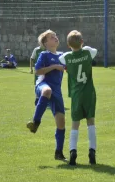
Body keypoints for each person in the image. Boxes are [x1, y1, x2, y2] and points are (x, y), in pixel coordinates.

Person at [26, 29, 67, 161]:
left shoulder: (63, 56)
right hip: (43, 85)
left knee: (61, 123)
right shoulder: (44, 54)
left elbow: (70, 67)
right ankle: (35, 122)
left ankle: (59, 153)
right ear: (45, 43)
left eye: (56, 35)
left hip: (57, 91)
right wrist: (54, 66)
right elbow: (37, 71)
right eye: (51, 37)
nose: (55, 38)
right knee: (46, 91)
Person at [59, 30, 98, 166]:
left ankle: (72, 152)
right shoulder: (88, 52)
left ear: (69, 45)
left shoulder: (66, 57)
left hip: (76, 94)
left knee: (75, 124)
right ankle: (92, 151)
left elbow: (61, 59)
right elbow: (94, 50)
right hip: (89, 93)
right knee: (90, 121)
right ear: (82, 42)